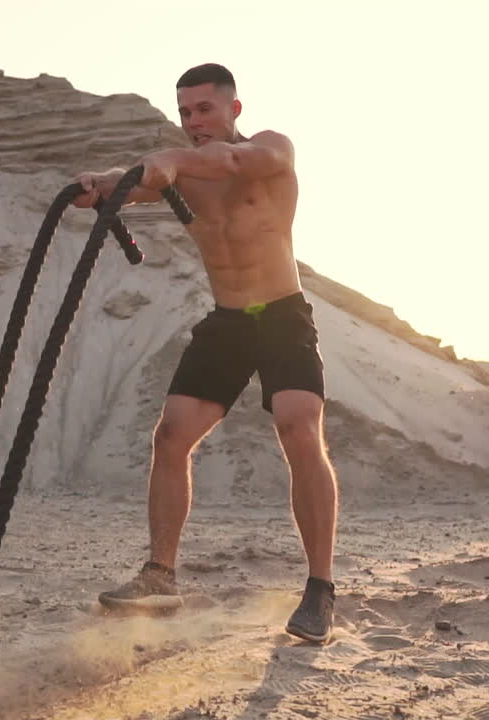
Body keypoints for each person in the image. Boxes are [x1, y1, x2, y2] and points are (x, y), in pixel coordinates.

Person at [77, 64, 340, 643]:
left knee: (298, 425)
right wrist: (100, 183)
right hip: (227, 321)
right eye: (184, 112)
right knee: (171, 435)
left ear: (233, 109)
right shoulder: (184, 175)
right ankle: (159, 576)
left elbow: (230, 163)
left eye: (204, 109)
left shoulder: (270, 149)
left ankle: (320, 589)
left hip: (282, 314)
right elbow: (133, 183)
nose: (194, 121)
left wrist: (167, 160)